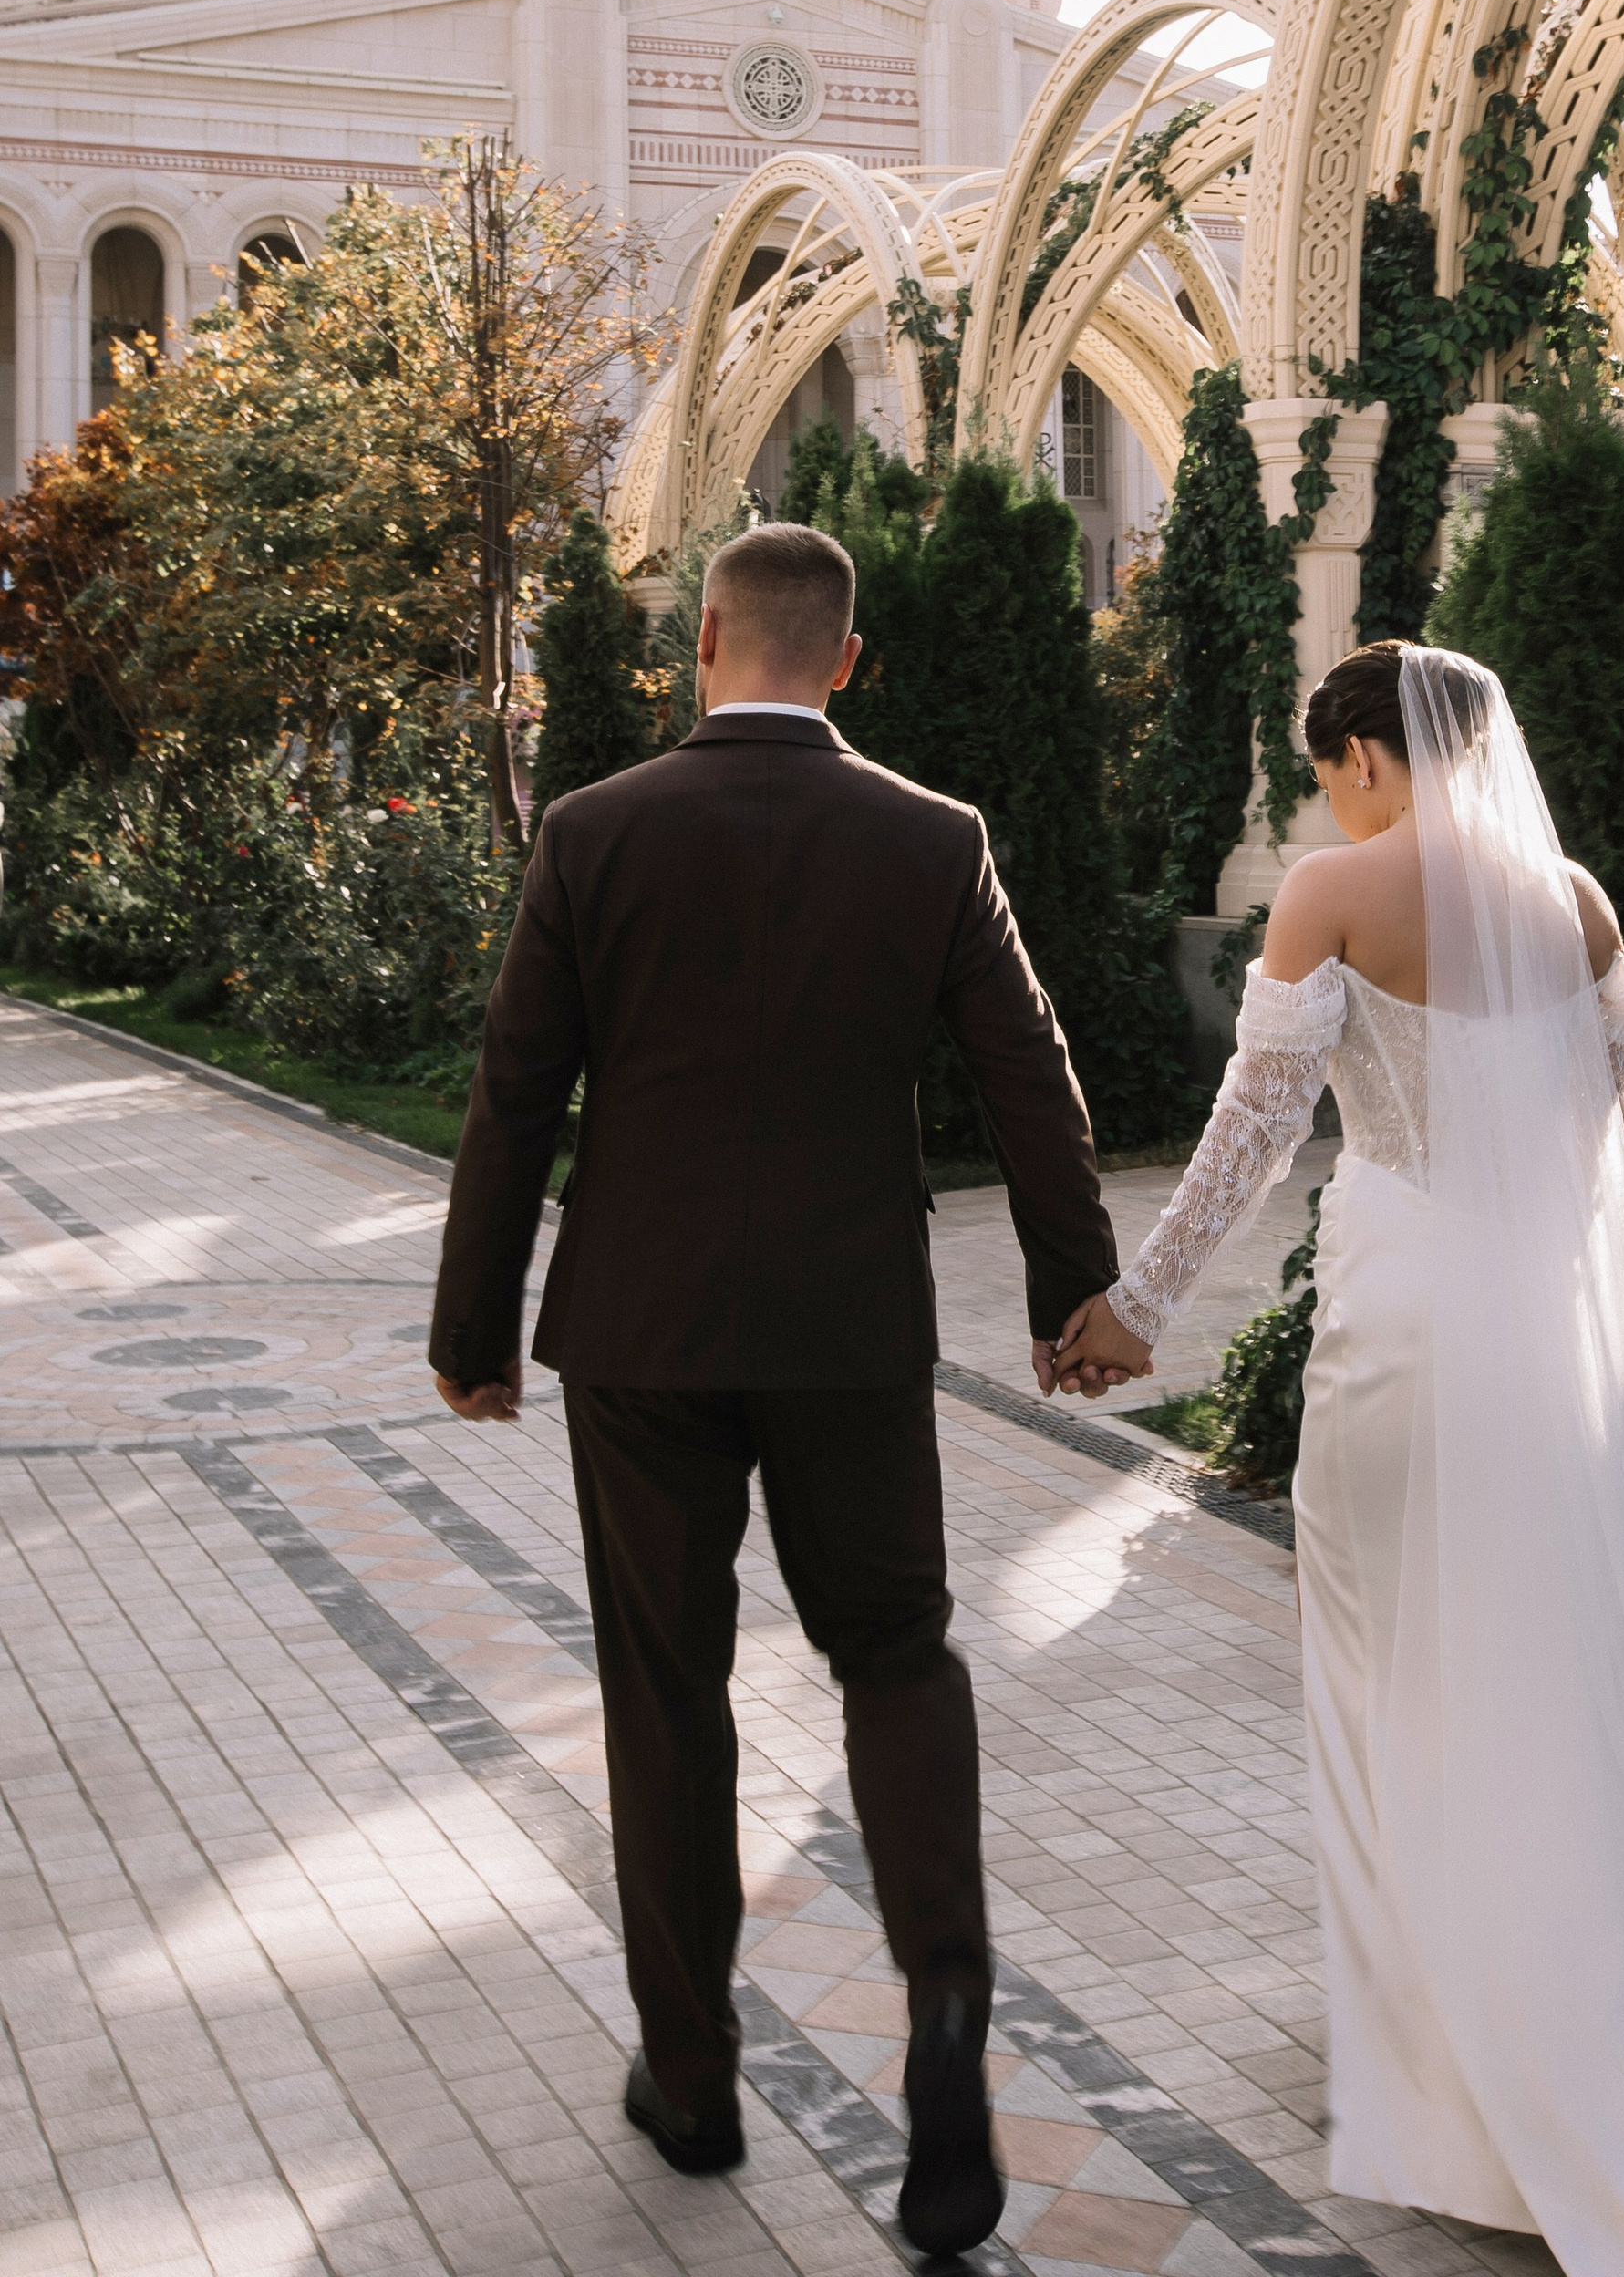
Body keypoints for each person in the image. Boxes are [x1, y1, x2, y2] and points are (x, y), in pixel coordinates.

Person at [1057, 639, 1624, 2277]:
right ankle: (1555, 2023)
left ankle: (1443, 2060)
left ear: (1361, 757)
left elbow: (1255, 1134)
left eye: (1325, 772)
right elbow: (1608, 1148)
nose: (1327, 799)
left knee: (1384, 1661)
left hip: (1406, 1323)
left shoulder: (1330, 891)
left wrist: (1137, 1308)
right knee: (1542, 1673)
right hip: (1544, 1330)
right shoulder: (1578, 905)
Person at [427, 519, 1119, 2247]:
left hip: (641, 1334)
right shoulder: (934, 837)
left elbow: (517, 1092)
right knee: (897, 1655)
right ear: (848, 662)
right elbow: (1029, 1075)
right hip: (849, 1329)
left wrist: (473, 1328)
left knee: (668, 1692)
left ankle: (693, 2077)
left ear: (706, 642)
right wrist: (1072, 1291)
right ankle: (944, 2006)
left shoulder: (594, 831)